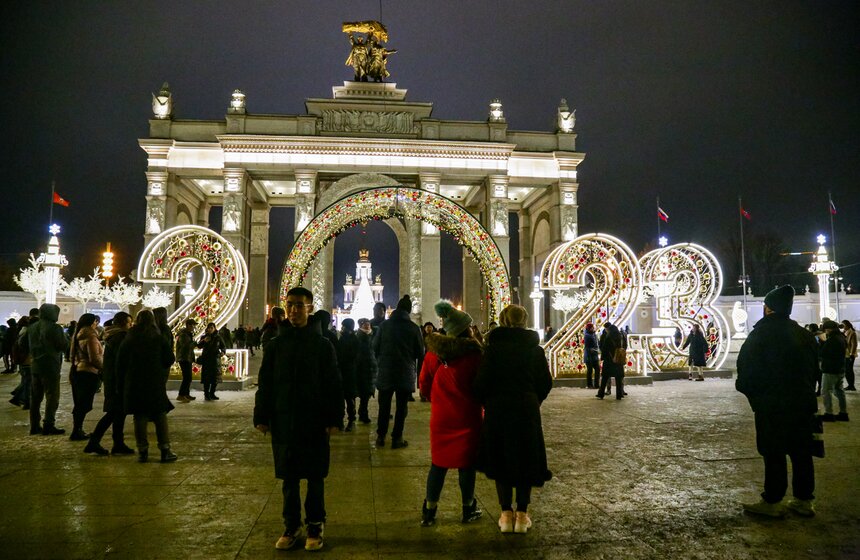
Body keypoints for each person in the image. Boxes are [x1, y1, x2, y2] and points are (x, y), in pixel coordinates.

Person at [254, 286, 343, 551]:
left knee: (315, 477)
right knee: (289, 478)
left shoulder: (323, 345)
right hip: (284, 419)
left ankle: (315, 524)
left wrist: (334, 417)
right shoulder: (276, 345)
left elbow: (333, 383)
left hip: (313, 420)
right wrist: (261, 415)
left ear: (310, 308)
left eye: (299, 305)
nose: (294, 310)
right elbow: (265, 383)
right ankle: (291, 525)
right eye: (290, 304)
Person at [736, 285, 819, 517]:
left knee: (774, 452)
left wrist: (757, 398)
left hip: (772, 406)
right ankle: (804, 500)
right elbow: (815, 371)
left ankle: (773, 500)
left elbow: (746, 371)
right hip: (802, 404)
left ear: (768, 308)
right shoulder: (804, 335)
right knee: (802, 452)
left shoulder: (761, 334)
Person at [475, 304, 553, 534]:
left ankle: (505, 514)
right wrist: (534, 399)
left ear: (503, 321)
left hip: (499, 409)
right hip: (526, 409)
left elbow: (480, 383)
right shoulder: (534, 350)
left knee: (502, 458)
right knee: (525, 457)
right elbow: (546, 382)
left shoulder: (493, 350)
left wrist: (488, 401)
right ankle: (522, 514)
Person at [418, 300, 484, 527]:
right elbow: (482, 387)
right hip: (468, 417)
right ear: (467, 329)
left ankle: (429, 510)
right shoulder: (475, 356)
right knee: (467, 466)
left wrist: (438, 398)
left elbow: (424, 386)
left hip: (442, 418)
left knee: (438, 465)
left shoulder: (433, 354)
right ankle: (468, 508)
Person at [119, 309, 177, 463]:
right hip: (154, 380)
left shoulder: (130, 337)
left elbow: (121, 360)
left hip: (135, 381)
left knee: (140, 416)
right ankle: (165, 449)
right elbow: (170, 358)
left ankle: (142, 450)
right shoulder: (157, 337)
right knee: (159, 415)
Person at [373, 294, 424, 449]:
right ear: (408, 311)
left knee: (384, 407)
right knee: (402, 408)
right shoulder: (414, 328)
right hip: (405, 372)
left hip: (386, 371)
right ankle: (397, 438)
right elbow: (419, 353)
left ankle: (381, 436)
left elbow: (375, 347)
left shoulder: (384, 326)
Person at [86, 311, 135, 455]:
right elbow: (122, 361)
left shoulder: (113, 336)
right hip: (117, 381)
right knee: (113, 413)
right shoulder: (121, 337)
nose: (131, 325)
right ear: (122, 323)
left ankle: (118, 443)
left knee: (118, 413)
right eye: (129, 322)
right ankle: (94, 442)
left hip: (112, 379)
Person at [28, 303, 69, 435]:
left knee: (35, 398)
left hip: (35, 366)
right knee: (52, 396)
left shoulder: (32, 327)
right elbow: (63, 345)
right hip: (50, 365)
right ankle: (48, 424)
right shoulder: (54, 328)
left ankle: (34, 425)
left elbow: (22, 343)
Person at [69, 313, 104, 441]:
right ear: (92, 323)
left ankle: (77, 429)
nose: (96, 324)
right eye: (95, 322)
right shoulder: (91, 337)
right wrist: (103, 369)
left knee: (79, 403)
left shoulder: (77, 335)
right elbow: (94, 358)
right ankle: (77, 431)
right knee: (84, 404)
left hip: (78, 371)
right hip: (89, 373)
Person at [818, 320, 848, 422]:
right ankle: (843, 413)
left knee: (826, 391)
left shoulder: (832, 340)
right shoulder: (841, 337)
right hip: (840, 368)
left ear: (829, 329)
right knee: (839, 391)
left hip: (830, 369)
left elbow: (823, 353)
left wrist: (822, 342)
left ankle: (829, 413)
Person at [337, 318, 360, 432]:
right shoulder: (344, 338)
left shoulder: (352, 340)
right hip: (345, 371)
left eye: (343, 326)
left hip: (349, 372)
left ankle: (351, 419)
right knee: (342, 397)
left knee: (349, 397)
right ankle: (342, 420)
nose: (342, 328)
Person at [355, 318, 377, 423]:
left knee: (367, 392)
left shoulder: (372, 336)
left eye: (368, 324)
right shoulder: (358, 337)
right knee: (364, 392)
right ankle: (362, 413)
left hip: (371, 367)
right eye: (365, 324)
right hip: (362, 368)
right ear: (360, 325)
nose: (367, 326)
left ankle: (362, 411)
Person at [597, 322, 626, 400]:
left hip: (609, 360)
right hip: (618, 360)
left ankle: (601, 393)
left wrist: (602, 358)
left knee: (605, 378)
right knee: (618, 378)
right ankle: (619, 395)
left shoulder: (608, 337)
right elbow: (624, 346)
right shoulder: (620, 336)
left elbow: (604, 349)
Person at [197, 322, 226, 400]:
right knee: (206, 378)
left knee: (215, 378)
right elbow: (199, 346)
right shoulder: (204, 337)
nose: (210, 329)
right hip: (206, 360)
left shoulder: (218, 337)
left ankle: (212, 393)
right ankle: (206, 394)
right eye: (209, 328)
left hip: (215, 360)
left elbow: (223, 346)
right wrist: (204, 341)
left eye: (212, 328)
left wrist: (222, 352)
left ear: (214, 328)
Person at [9, 315, 32, 408]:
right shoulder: (26, 332)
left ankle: (18, 396)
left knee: (26, 381)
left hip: (24, 360)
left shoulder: (21, 330)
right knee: (27, 382)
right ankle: (21, 400)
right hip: (27, 360)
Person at [175, 319, 197, 403]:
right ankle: (181, 395)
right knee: (187, 377)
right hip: (184, 358)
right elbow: (186, 346)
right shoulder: (184, 334)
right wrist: (194, 343)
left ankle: (186, 394)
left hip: (187, 357)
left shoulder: (187, 334)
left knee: (188, 377)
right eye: (192, 325)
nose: (193, 327)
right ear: (188, 325)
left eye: (194, 325)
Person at [583, 323, 600, 389]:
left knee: (597, 369)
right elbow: (588, 346)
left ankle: (596, 384)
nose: (594, 328)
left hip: (594, 355)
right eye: (593, 327)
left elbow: (597, 343)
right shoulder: (587, 335)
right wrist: (595, 350)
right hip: (589, 356)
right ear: (589, 328)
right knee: (590, 370)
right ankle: (589, 384)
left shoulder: (594, 334)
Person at [843, 320, 857, 391]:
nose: (843, 327)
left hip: (850, 354)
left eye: (843, 325)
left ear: (847, 325)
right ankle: (850, 385)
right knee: (847, 371)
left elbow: (854, 344)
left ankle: (851, 386)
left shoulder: (852, 332)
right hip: (846, 354)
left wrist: (852, 354)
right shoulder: (845, 332)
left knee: (849, 371)